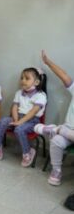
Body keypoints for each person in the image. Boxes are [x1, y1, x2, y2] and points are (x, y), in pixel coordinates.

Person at [0, 67, 47, 167]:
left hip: (32, 120)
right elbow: (15, 107)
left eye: (27, 78)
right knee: (2, 121)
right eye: (22, 78)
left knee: (19, 130)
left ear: (36, 82)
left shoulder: (41, 95)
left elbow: (33, 112)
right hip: (18, 117)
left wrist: (20, 122)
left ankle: (28, 152)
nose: (23, 81)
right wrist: (16, 120)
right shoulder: (19, 92)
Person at [34, 50, 74, 185]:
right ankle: (56, 170)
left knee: (57, 134)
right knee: (56, 141)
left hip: (67, 131)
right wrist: (48, 62)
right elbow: (64, 76)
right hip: (69, 130)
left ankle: (56, 129)